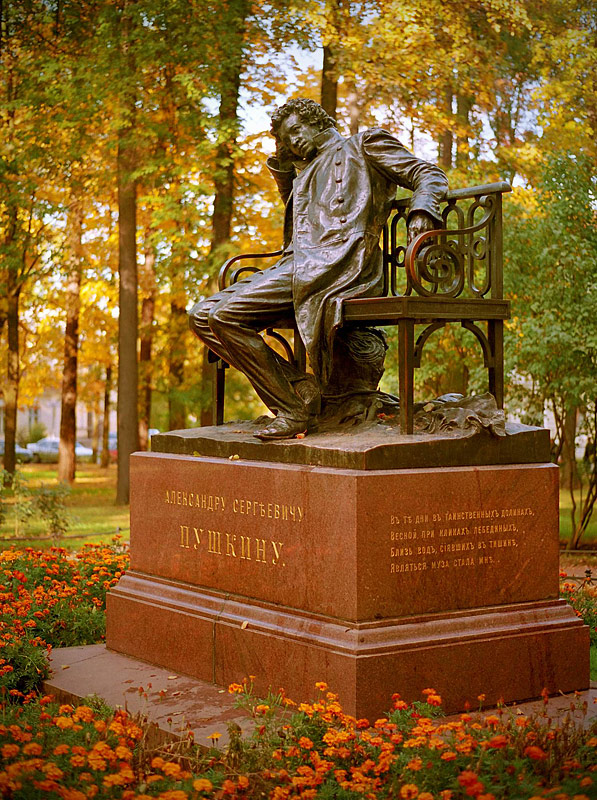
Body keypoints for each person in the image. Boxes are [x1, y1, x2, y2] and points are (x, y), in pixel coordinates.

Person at [189, 98, 448, 440]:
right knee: (201, 316)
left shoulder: (363, 145)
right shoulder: (304, 173)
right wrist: (283, 166)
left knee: (225, 316)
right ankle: (301, 389)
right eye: (286, 138)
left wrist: (422, 212)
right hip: (299, 264)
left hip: (341, 263)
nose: (294, 141)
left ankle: (292, 410)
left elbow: (426, 172)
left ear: (316, 122)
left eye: (296, 130)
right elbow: (298, 226)